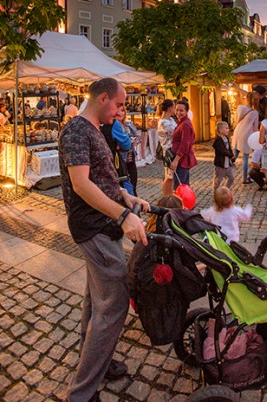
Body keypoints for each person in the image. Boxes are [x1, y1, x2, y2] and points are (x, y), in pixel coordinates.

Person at [58, 77, 152, 401]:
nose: (121, 111)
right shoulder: (76, 130)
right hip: (93, 228)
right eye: (119, 104)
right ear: (101, 98)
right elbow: (82, 185)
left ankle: (100, 358)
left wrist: (127, 198)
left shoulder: (94, 130)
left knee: (95, 302)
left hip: (103, 226)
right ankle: (81, 394)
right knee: (113, 304)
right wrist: (123, 217)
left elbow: (102, 178)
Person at [233, 91, 261, 184]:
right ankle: (244, 179)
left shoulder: (240, 107)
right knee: (245, 157)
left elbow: (237, 120)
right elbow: (255, 128)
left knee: (234, 154)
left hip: (237, 132)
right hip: (247, 134)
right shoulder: (255, 113)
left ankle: (225, 171)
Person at [171, 100, 197, 187]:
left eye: (181, 110)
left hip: (183, 160)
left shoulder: (185, 124)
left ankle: (182, 201)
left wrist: (176, 160)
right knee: (184, 186)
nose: (178, 113)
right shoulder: (181, 122)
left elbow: (184, 144)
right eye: (177, 110)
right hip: (181, 159)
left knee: (180, 187)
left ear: (186, 111)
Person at [156, 99, 177, 196]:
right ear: (170, 108)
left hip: (174, 149)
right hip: (168, 151)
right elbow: (176, 133)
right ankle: (167, 195)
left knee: (172, 175)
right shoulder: (164, 122)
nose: (175, 109)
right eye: (174, 107)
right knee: (169, 176)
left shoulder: (171, 119)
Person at [213, 121, 236, 191]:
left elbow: (229, 149)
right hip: (220, 165)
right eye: (226, 128)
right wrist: (230, 155)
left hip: (227, 165)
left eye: (228, 128)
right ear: (220, 130)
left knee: (231, 178)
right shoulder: (217, 141)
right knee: (218, 181)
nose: (228, 130)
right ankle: (216, 193)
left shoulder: (226, 138)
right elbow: (222, 151)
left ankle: (224, 190)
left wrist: (233, 160)